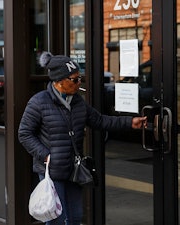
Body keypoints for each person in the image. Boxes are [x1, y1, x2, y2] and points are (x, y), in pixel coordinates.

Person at [18, 51, 147, 225]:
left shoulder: (77, 102)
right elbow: (24, 134)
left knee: (76, 217)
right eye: (74, 79)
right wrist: (47, 156)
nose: (79, 83)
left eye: (79, 79)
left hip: (73, 169)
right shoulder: (39, 102)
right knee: (57, 220)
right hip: (53, 171)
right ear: (59, 81)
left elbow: (100, 121)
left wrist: (130, 122)